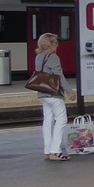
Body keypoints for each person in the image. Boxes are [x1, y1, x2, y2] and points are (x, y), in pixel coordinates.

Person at [35, 33, 74, 161]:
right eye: (56, 42)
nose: (58, 44)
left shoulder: (39, 56)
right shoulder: (53, 57)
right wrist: (69, 91)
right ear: (50, 44)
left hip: (42, 92)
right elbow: (59, 76)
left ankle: (47, 151)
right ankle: (55, 151)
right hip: (53, 93)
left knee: (48, 121)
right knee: (61, 119)